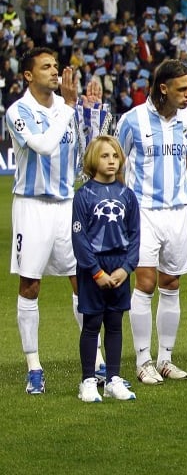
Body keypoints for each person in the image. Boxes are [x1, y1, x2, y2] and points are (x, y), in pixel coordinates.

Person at [116, 58, 187, 385]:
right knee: (145, 282)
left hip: (178, 212)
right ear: (163, 88)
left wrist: (174, 186)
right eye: (182, 89)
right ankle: (143, 360)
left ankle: (166, 359)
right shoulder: (132, 120)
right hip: (143, 212)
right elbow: (116, 162)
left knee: (171, 283)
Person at [8, 47, 81, 394]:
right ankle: (34, 367)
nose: (55, 71)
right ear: (28, 75)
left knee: (82, 281)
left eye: (56, 65)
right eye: (46, 67)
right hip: (32, 206)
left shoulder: (68, 109)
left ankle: (95, 358)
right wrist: (69, 107)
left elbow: (76, 154)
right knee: (30, 285)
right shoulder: (18, 111)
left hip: (67, 205)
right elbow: (43, 145)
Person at [71, 136, 139, 402]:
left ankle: (113, 379)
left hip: (119, 266)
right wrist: (96, 272)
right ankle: (88, 381)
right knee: (92, 324)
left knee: (114, 324)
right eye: (104, 156)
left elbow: (135, 235)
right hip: (94, 269)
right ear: (92, 160)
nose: (111, 161)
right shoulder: (84, 195)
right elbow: (79, 238)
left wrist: (127, 267)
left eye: (115, 156)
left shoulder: (127, 195)